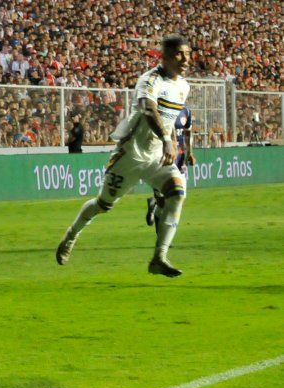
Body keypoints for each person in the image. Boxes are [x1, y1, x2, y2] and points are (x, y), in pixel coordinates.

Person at [55, 34, 191, 277]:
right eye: (179, 54)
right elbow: (149, 110)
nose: (185, 59)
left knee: (177, 193)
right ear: (166, 56)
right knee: (103, 204)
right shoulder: (150, 80)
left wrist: (170, 142)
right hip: (131, 155)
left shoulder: (183, 86)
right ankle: (71, 235)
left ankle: (159, 257)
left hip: (156, 157)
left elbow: (169, 120)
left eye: (188, 54)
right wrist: (167, 140)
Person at [145, 106, 195, 231]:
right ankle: (162, 235)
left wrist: (190, 153)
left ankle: (154, 206)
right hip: (165, 157)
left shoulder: (186, 111)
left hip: (180, 159)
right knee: (163, 199)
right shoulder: (163, 109)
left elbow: (188, 133)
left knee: (179, 198)